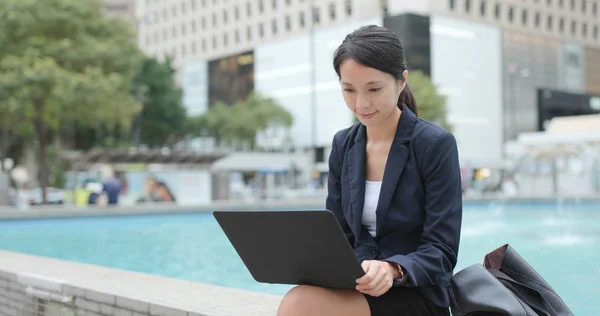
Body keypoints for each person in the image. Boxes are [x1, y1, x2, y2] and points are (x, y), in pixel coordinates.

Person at [277, 25, 463, 316]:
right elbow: (338, 235)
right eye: (348, 90)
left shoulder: (434, 144)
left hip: (413, 292)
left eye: (374, 89)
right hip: (357, 283)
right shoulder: (343, 145)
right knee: (298, 298)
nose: (360, 103)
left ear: (401, 81)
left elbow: (442, 251)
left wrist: (392, 268)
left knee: (299, 306)